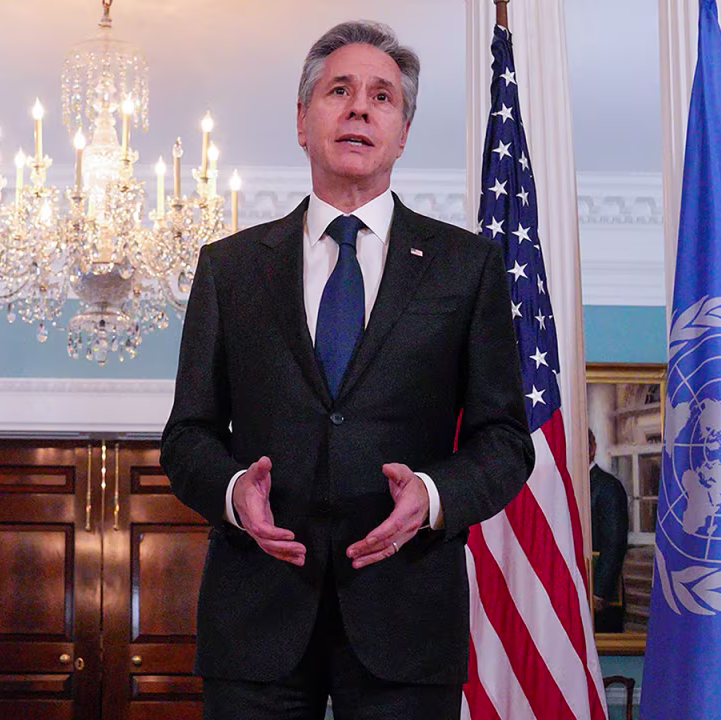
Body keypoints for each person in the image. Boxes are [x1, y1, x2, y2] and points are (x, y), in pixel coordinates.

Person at [161, 20, 534, 719]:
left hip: (408, 618)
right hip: (255, 622)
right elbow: (187, 437)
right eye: (339, 90)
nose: (360, 107)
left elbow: (506, 440)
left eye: (382, 96)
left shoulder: (468, 267)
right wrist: (237, 487)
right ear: (304, 121)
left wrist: (432, 493)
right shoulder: (230, 268)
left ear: (403, 130)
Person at [589, 429, 629, 633]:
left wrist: (599, 591)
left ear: (593, 448)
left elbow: (615, 542)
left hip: (600, 597)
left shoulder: (608, 486)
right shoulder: (567, 483)